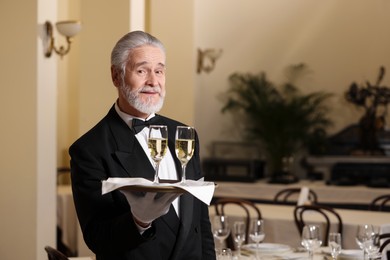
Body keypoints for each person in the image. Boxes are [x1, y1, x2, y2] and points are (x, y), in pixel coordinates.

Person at [69, 30, 216, 260]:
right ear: (116, 76)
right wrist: (139, 221)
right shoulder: (89, 149)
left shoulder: (184, 135)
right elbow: (97, 238)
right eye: (142, 70)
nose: (153, 81)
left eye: (159, 71)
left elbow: (201, 222)